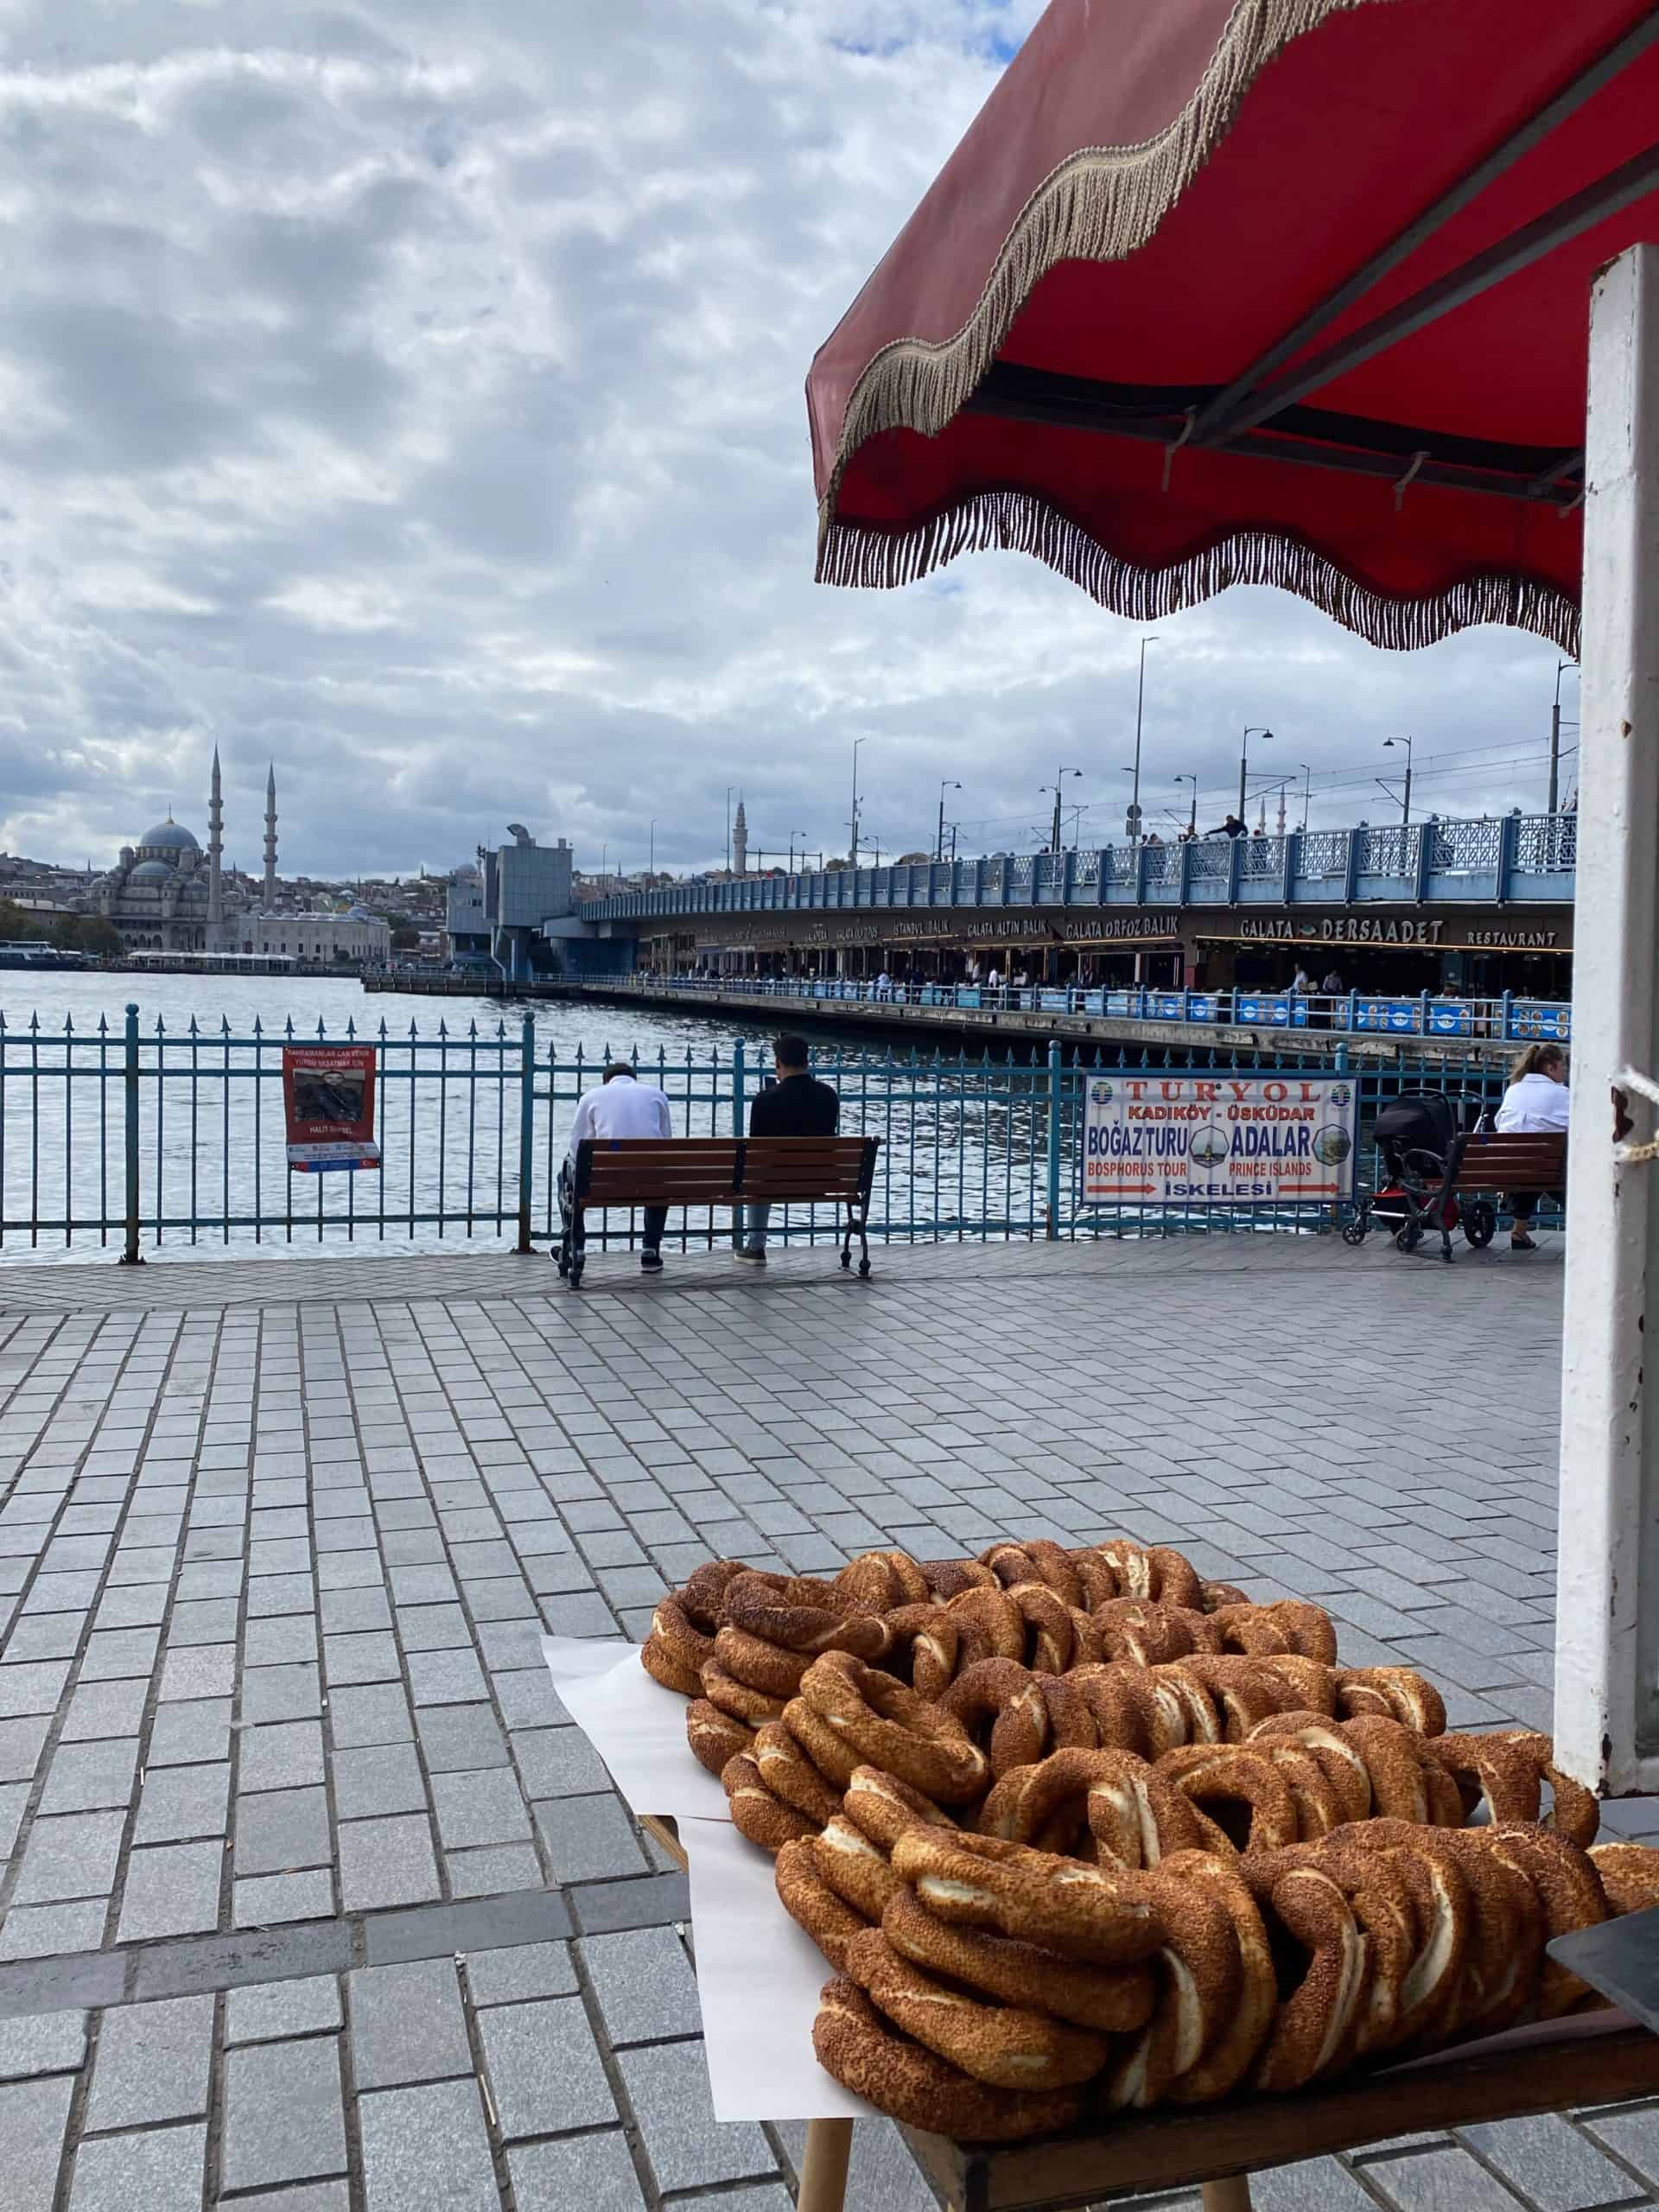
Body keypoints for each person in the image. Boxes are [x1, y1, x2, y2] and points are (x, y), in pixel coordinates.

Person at [734, 1035, 839, 1264]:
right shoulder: (828, 1095)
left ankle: (756, 1247)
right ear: (807, 1062)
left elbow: (758, 1151)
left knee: (758, 1177)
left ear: (778, 1064)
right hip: (821, 1180)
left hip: (773, 1182)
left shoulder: (764, 1100)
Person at [564, 1063, 674, 1272]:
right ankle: (650, 1250)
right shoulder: (657, 1096)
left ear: (606, 1080)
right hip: (649, 1183)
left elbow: (577, 1147)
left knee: (567, 1178)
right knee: (659, 1176)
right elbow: (666, 1142)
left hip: (604, 1184)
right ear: (634, 1077)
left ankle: (575, 1249)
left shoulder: (591, 1097)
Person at [1494, 1041, 1569, 1251]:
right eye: (1563, 1066)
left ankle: (1519, 1231)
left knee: (1531, 1163)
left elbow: (1499, 1123)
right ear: (1550, 1068)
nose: (1565, 1071)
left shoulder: (1514, 1090)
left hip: (1507, 1170)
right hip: (1546, 1170)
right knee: (1549, 1164)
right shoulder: (1561, 1094)